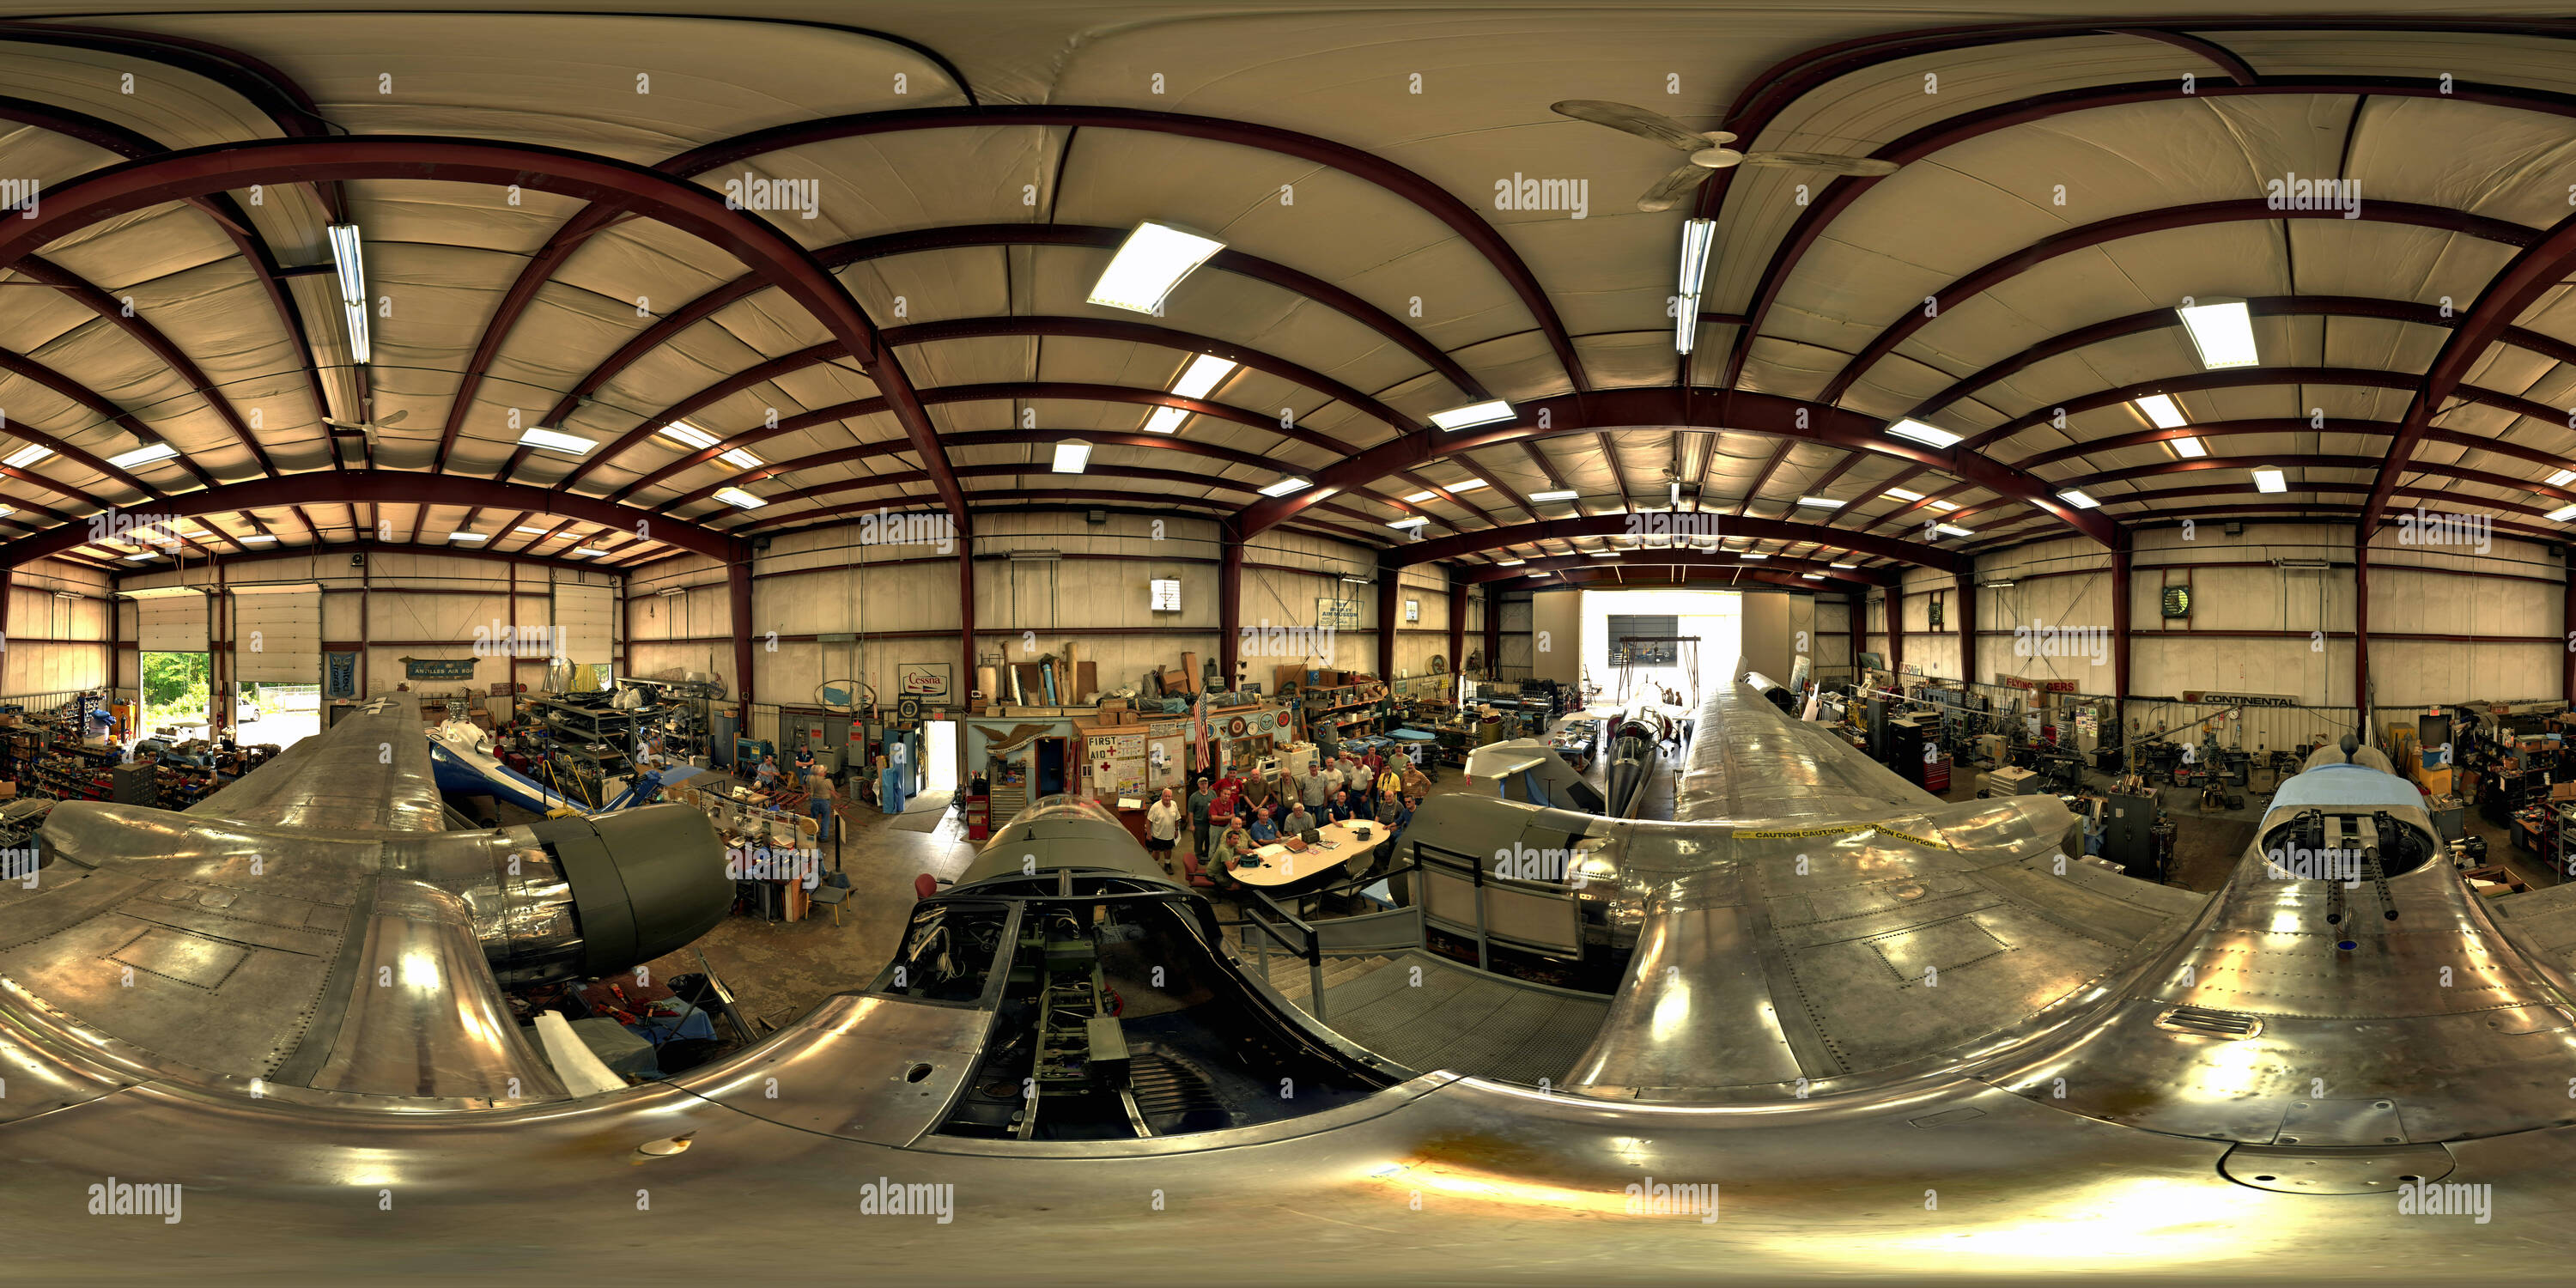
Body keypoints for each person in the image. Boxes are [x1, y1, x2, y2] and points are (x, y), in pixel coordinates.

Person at [1145, 787, 1182, 870]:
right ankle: (1155, 866)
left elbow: (1177, 818)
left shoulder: (1174, 804)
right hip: (1157, 834)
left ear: (1171, 797)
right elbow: (1148, 821)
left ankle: (1167, 865)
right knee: (1156, 851)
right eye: (1166, 796)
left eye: (1169, 796)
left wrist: (1176, 830)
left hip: (1169, 834)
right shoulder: (1155, 807)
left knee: (1168, 850)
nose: (1167, 798)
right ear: (1162, 796)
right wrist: (1148, 834)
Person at [1209, 823, 1252, 890]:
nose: (1237, 841)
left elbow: (1239, 850)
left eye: (1238, 839)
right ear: (1228, 839)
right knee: (1238, 886)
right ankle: (1221, 890)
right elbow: (1231, 868)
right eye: (1234, 839)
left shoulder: (1230, 844)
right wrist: (1237, 860)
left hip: (1223, 869)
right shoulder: (1224, 851)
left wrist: (1250, 853)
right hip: (1215, 874)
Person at [1186, 775, 1215, 857]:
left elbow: (1216, 805)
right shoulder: (1194, 797)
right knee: (1198, 842)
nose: (1204, 786)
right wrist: (1191, 825)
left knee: (1209, 840)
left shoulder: (1212, 793)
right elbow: (1190, 812)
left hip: (1210, 822)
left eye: (1205, 783)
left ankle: (1207, 853)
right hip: (1199, 823)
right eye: (1202, 784)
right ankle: (1199, 856)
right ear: (1198, 785)